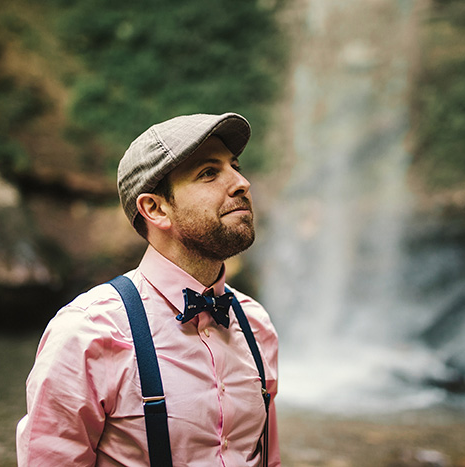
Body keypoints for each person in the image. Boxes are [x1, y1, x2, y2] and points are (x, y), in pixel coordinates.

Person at [16, 112, 280, 466]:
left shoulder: (256, 325)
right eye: (209, 173)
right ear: (155, 209)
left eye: (235, 166)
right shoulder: (87, 333)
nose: (241, 182)